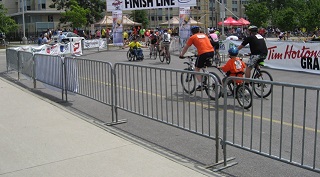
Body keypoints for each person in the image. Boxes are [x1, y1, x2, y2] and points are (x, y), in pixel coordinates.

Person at [179, 26, 215, 91]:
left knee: (196, 69)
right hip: (211, 52)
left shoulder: (192, 37)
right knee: (204, 67)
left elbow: (186, 47)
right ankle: (210, 80)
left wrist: (182, 55)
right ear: (199, 30)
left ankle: (200, 84)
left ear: (192, 32)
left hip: (203, 53)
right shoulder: (204, 35)